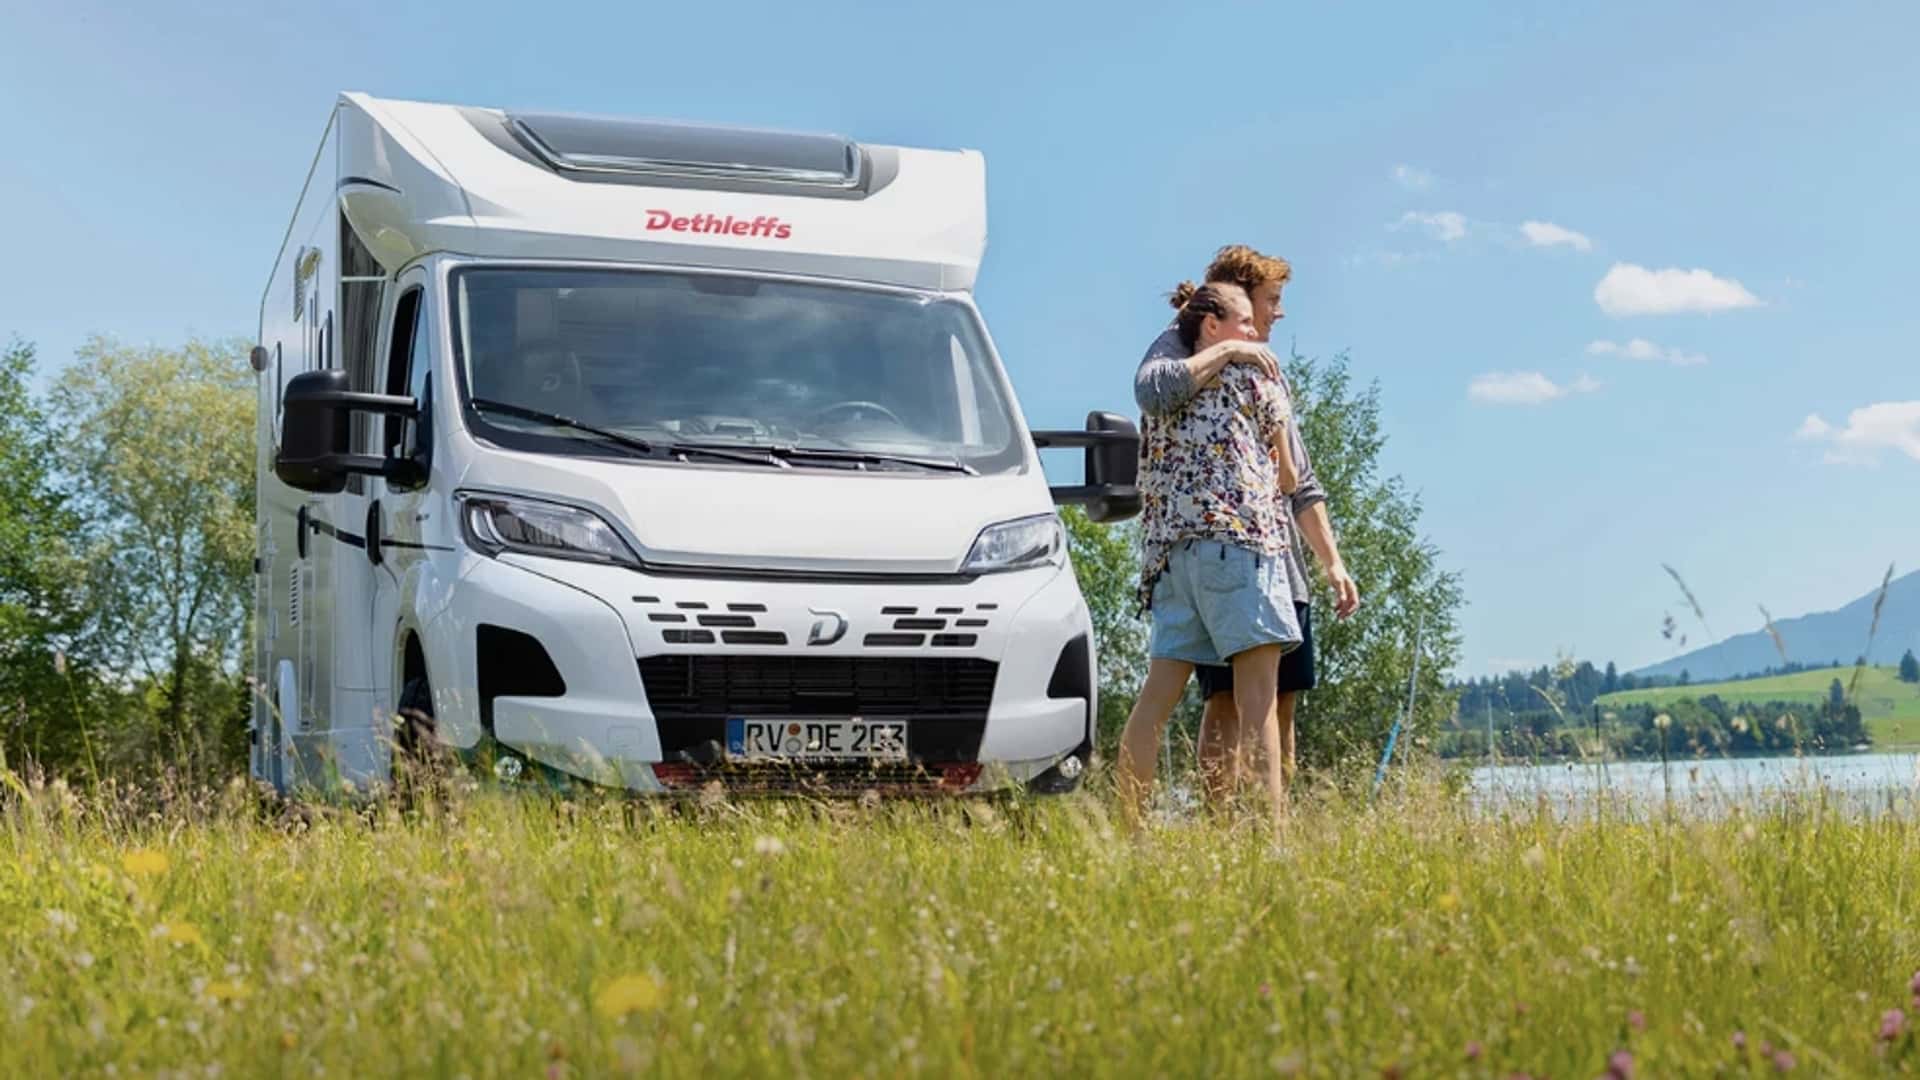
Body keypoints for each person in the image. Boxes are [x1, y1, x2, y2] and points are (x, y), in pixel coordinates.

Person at [1133, 245, 1360, 803]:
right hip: (1237, 552)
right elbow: (1154, 391)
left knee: (1281, 707)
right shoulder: (1183, 343)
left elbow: (1301, 483)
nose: (1278, 313)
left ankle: (1254, 828)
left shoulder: (1263, 368)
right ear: (1235, 300)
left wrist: (1332, 563)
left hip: (1276, 562)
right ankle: (1236, 827)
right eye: (1271, 300)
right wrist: (1235, 348)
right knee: (1229, 704)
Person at [1116, 282, 1302, 830]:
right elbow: (1290, 474)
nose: (1255, 330)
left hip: (1172, 558)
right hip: (1240, 542)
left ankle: (1130, 830)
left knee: (1155, 703)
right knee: (1258, 701)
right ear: (1212, 325)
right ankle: (1270, 838)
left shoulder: (1167, 383)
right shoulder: (1253, 373)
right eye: (1244, 320)